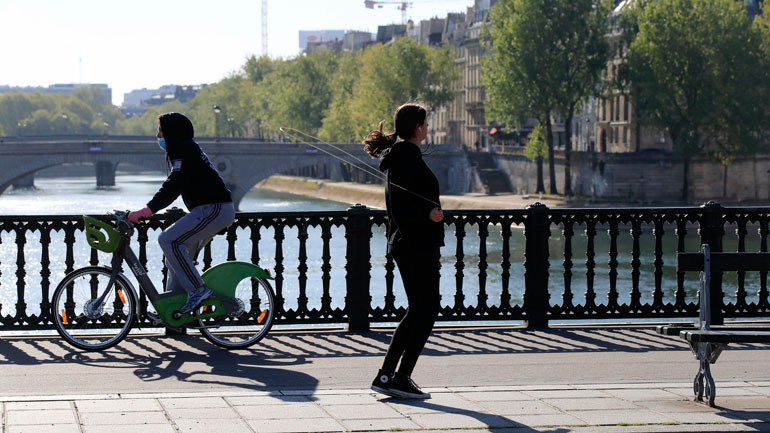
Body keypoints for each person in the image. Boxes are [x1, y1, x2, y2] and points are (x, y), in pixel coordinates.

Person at [363, 103, 444, 399]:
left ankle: (387, 375)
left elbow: (405, 202)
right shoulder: (406, 157)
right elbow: (402, 206)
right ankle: (401, 377)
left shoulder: (403, 156)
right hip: (416, 243)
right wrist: (428, 215)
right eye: (425, 123)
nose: (428, 128)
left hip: (410, 243)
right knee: (426, 309)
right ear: (417, 127)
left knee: (418, 310)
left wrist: (427, 212)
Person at [128, 112, 234, 315]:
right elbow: (175, 184)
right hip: (210, 209)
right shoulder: (185, 149)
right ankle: (173, 310)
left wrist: (147, 210)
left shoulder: (185, 150)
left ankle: (198, 290)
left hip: (215, 208)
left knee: (168, 240)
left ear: (171, 132)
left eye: (160, 131)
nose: (158, 136)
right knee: (174, 254)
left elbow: (173, 185)